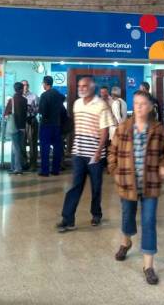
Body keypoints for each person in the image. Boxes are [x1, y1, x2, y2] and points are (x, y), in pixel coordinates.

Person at [108, 90, 164, 286]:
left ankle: (148, 266)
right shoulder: (123, 128)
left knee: (148, 222)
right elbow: (112, 151)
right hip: (127, 182)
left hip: (150, 184)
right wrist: (115, 170)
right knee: (127, 216)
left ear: (151, 107)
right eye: (136, 103)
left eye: (143, 104)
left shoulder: (158, 129)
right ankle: (126, 242)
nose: (138, 107)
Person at [57, 76, 114, 232]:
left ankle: (96, 214)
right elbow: (79, 127)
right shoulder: (76, 104)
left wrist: (98, 152)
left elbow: (104, 131)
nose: (81, 88)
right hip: (79, 152)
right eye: (79, 86)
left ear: (92, 87)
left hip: (95, 154)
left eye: (84, 86)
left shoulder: (101, 105)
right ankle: (67, 219)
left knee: (96, 187)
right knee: (75, 186)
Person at [38, 76, 65, 176]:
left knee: (45, 148)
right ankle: (55, 170)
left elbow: (42, 111)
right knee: (57, 147)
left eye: (43, 83)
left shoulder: (44, 95)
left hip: (46, 125)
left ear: (45, 83)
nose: (43, 85)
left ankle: (45, 170)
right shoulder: (59, 95)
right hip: (57, 125)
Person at [4, 82, 27, 175]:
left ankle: (16, 168)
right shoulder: (25, 100)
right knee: (18, 147)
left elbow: (6, 114)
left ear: (15, 89)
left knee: (15, 147)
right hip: (22, 127)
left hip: (13, 126)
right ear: (21, 89)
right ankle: (14, 167)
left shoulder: (11, 100)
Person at [21, 80, 39, 171]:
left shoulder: (34, 96)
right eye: (24, 85)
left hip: (31, 121)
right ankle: (24, 163)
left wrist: (31, 113)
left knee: (33, 144)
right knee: (22, 144)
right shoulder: (18, 96)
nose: (26, 86)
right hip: (21, 123)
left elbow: (38, 108)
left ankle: (33, 165)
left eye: (27, 85)